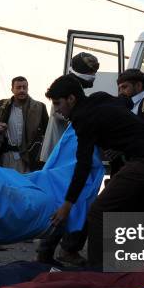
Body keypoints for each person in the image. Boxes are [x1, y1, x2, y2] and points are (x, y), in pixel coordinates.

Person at [47, 74, 144, 269]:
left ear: (71, 99)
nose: (57, 109)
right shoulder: (98, 98)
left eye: (58, 103)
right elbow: (124, 103)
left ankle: (99, 271)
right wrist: (120, 139)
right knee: (122, 209)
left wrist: (67, 204)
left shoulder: (83, 118)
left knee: (98, 211)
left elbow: (83, 164)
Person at [36, 53, 99, 266]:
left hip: (71, 151)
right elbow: (59, 115)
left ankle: (59, 249)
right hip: (65, 152)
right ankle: (52, 250)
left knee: (74, 199)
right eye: (90, 73)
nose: (93, 78)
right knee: (65, 199)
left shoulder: (77, 92)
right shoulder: (65, 89)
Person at [0, 76, 48, 173]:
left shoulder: (39, 107)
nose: (22, 90)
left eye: (24, 87)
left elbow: (47, 134)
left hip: (29, 158)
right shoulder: (2, 106)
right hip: (7, 156)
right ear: (12, 89)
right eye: (18, 87)